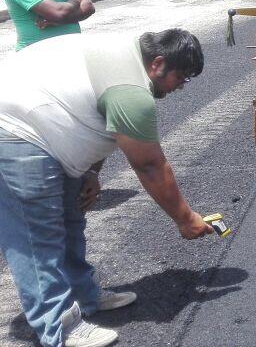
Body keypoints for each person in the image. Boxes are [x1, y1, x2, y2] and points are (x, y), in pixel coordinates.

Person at [0, 29, 216, 347]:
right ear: (158, 64)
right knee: (37, 235)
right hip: (17, 130)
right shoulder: (131, 91)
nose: (180, 87)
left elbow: (95, 114)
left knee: (71, 218)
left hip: (41, 124)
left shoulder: (126, 56)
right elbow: (150, 165)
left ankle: (82, 294)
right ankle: (59, 326)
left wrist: (89, 172)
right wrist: (186, 219)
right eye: (181, 77)